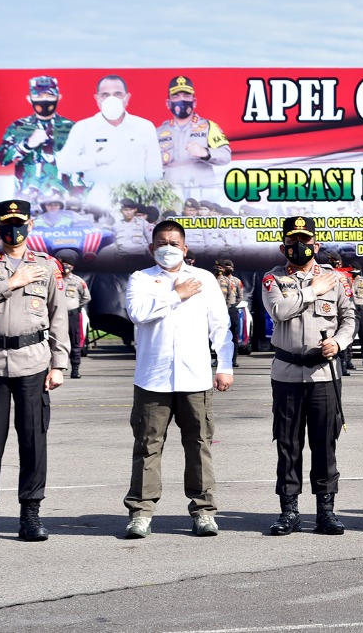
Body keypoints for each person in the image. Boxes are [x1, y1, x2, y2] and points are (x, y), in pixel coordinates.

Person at [0, 200, 69, 544]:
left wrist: (59, 364)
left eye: (19, 223)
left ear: (30, 225)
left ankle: (30, 514)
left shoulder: (46, 266)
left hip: (33, 361)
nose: (13, 230)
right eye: (6, 224)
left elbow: (58, 316)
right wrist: (11, 282)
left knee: (33, 439)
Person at [123, 219, 234, 539]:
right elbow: (138, 313)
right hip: (152, 379)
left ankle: (203, 511)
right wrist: (176, 295)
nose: (168, 248)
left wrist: (224, 366)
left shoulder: (204, 279)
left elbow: (220, 326)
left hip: (195, 377)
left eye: (174, 243)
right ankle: (141, 513)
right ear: (151, 248)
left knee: (199, 446)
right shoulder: (141, 278)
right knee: (147, 446)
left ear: (185, 249)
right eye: (162, 243)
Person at [261, 216, 356, 537]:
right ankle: (289, 512)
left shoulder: (335, 279)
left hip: (323, 374)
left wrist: (338, 342)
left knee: (324, 443)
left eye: (305, 240)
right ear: (283, 247)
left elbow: (349, 318)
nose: (299, 246)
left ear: (316, 245)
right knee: (288, 444)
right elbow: (278, 311)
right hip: (287, 374)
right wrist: (312, 291)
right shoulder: (273, 279)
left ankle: (326, 512)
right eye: (292, 241)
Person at [55, 74, 163, 207]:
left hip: (135, 205)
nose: (112, 99)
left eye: (118, 94)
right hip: (98, 206)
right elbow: (63, 164)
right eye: (105, 95)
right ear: (97, 99)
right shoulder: (84, 127)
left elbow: (154, 173)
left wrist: (153, 206)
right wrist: (94, 160)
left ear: (127, 98)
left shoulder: (144, 127)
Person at [0, 75, 78, 200]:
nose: (44, 100)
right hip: (26, 200)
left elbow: (84, 166)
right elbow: (1, 159)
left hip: (62, 201)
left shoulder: (73, 128)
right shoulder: (17, 126)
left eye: (49, 96)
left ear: (58, 97)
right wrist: (27, 144)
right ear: (29, 99)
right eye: (38, 96)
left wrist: (79, 197)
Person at [156, 75, 232, 198]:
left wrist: (206, 152)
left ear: (194, 102)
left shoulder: (208, 127)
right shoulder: (158, 133)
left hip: (202, 199)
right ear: (168, 103)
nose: (181, 100)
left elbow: (226, 156)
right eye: (176, 96)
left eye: (186, 96)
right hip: (171, 199)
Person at [56, 252, 91, 379]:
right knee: (55, 341)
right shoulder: (54, 279)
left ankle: (75, 369)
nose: (64, 266)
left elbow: (86, 297)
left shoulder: (77, 281)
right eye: (62, 263)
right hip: (56, 317)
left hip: (72, 316)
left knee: (75, 342)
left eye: (67, 264)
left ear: (72, 266)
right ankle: (55, 369)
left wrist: (75, 307)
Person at [214, 260, 244, 369]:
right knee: (218, 334)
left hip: (231, 308)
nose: (227, 268)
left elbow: (240, 297)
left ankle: (233, 359)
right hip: (217, 309)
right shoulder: (214, 279)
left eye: (229, 266)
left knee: (233, 334)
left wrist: (231, 305)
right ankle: (217, 359)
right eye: (225, 266)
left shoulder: (236, 281)